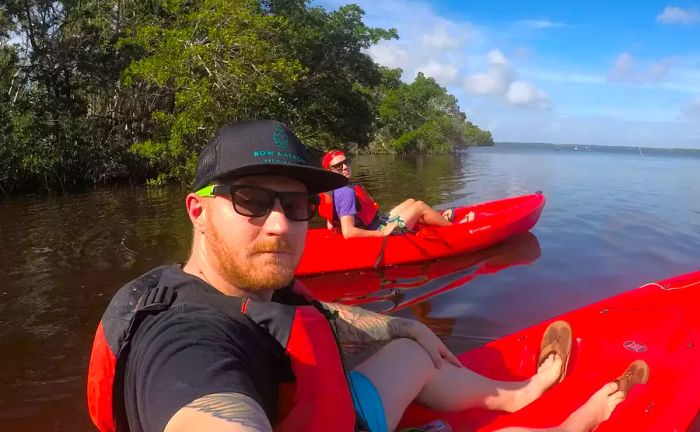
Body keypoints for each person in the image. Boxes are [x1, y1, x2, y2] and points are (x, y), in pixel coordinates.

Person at [87, 120, 646, 432]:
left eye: (297, 204)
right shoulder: (183, 341)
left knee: (413, 353)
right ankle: (568, 426)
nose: (280, 224)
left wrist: (405, 329)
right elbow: (205, 410)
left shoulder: (248, 283)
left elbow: (321, 315)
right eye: (252, 200)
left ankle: (519, 394)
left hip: (330, 407)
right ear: (197, 210)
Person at [320, 150, 474, 238]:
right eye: (338, 167)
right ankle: (456, 230)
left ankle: (436, 220)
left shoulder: (332, 189)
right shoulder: (345, 193)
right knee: (419, 206)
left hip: (380, 221)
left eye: (346, 162)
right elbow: (348, 233)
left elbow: (329, 225)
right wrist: (381, 234)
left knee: (411, 201)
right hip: (381, 230)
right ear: (329, 171)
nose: (345, 167)